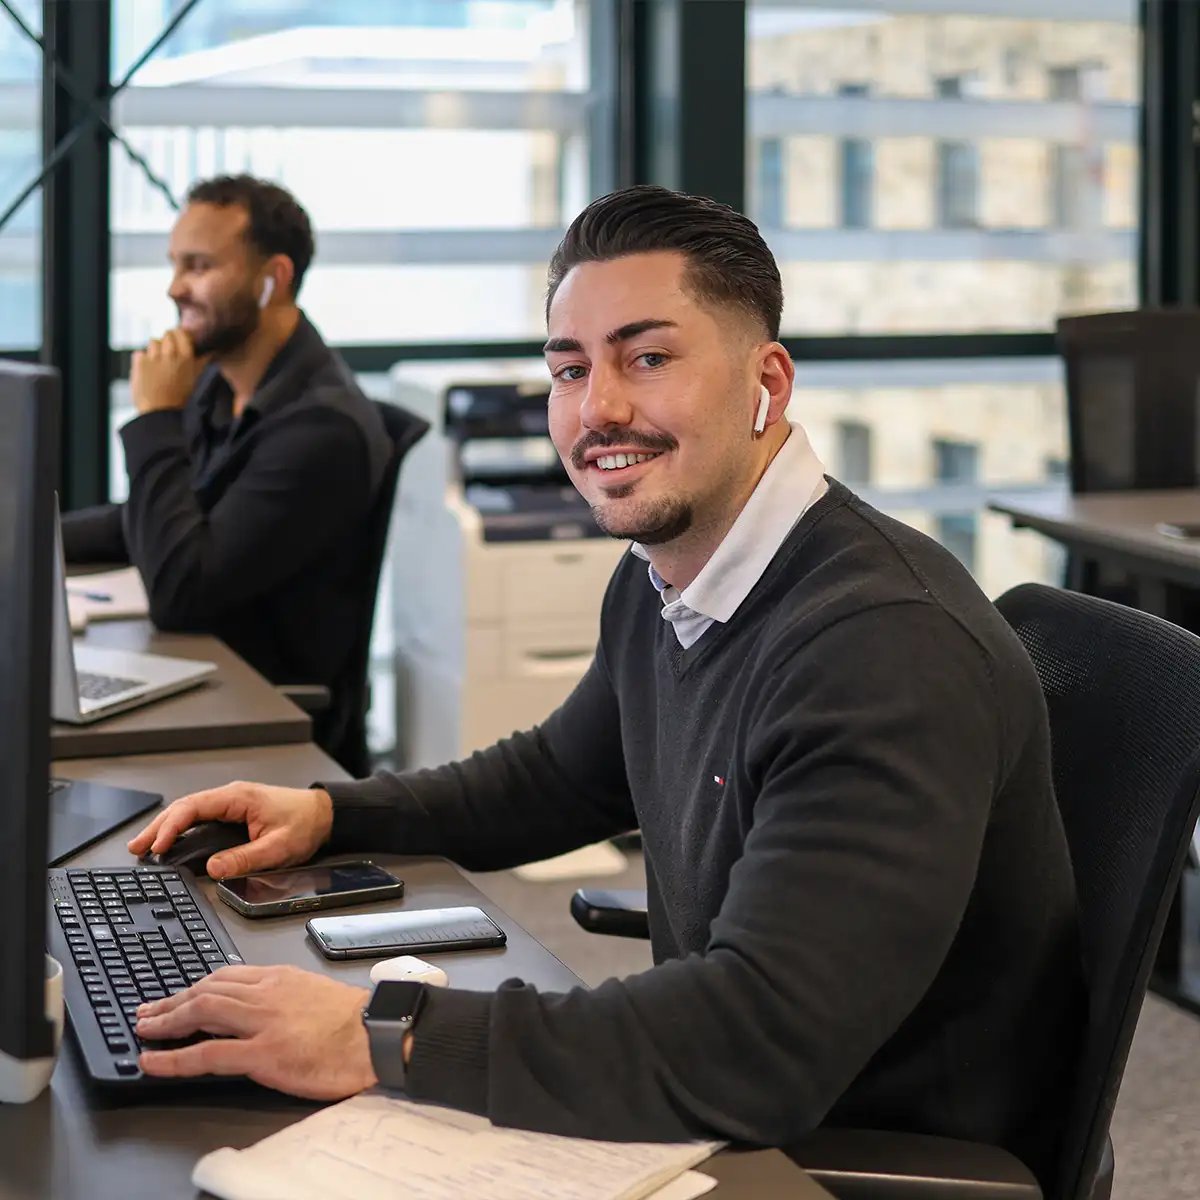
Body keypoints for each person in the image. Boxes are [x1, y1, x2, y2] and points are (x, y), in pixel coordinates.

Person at [126, 184, 1083, 1186]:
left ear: (769, 380)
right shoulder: (669, 576)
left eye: (648, 357)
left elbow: (759, 1045)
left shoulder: (881, 651)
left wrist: (378, 1033)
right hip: (728, 1106)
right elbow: (558, 776)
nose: (599, 409)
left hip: (837, 1152)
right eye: (569, 369)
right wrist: (331, 813)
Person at [62, 174, 397, 773]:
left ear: (274, 278)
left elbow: (180, 592)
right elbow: (156, 519)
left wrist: (156, 417)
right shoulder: (220, 385)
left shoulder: (322, 428)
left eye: (199, 266)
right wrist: (30, 539)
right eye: (175, 265)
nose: (174, 288)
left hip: (267, 725)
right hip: (207, 682)